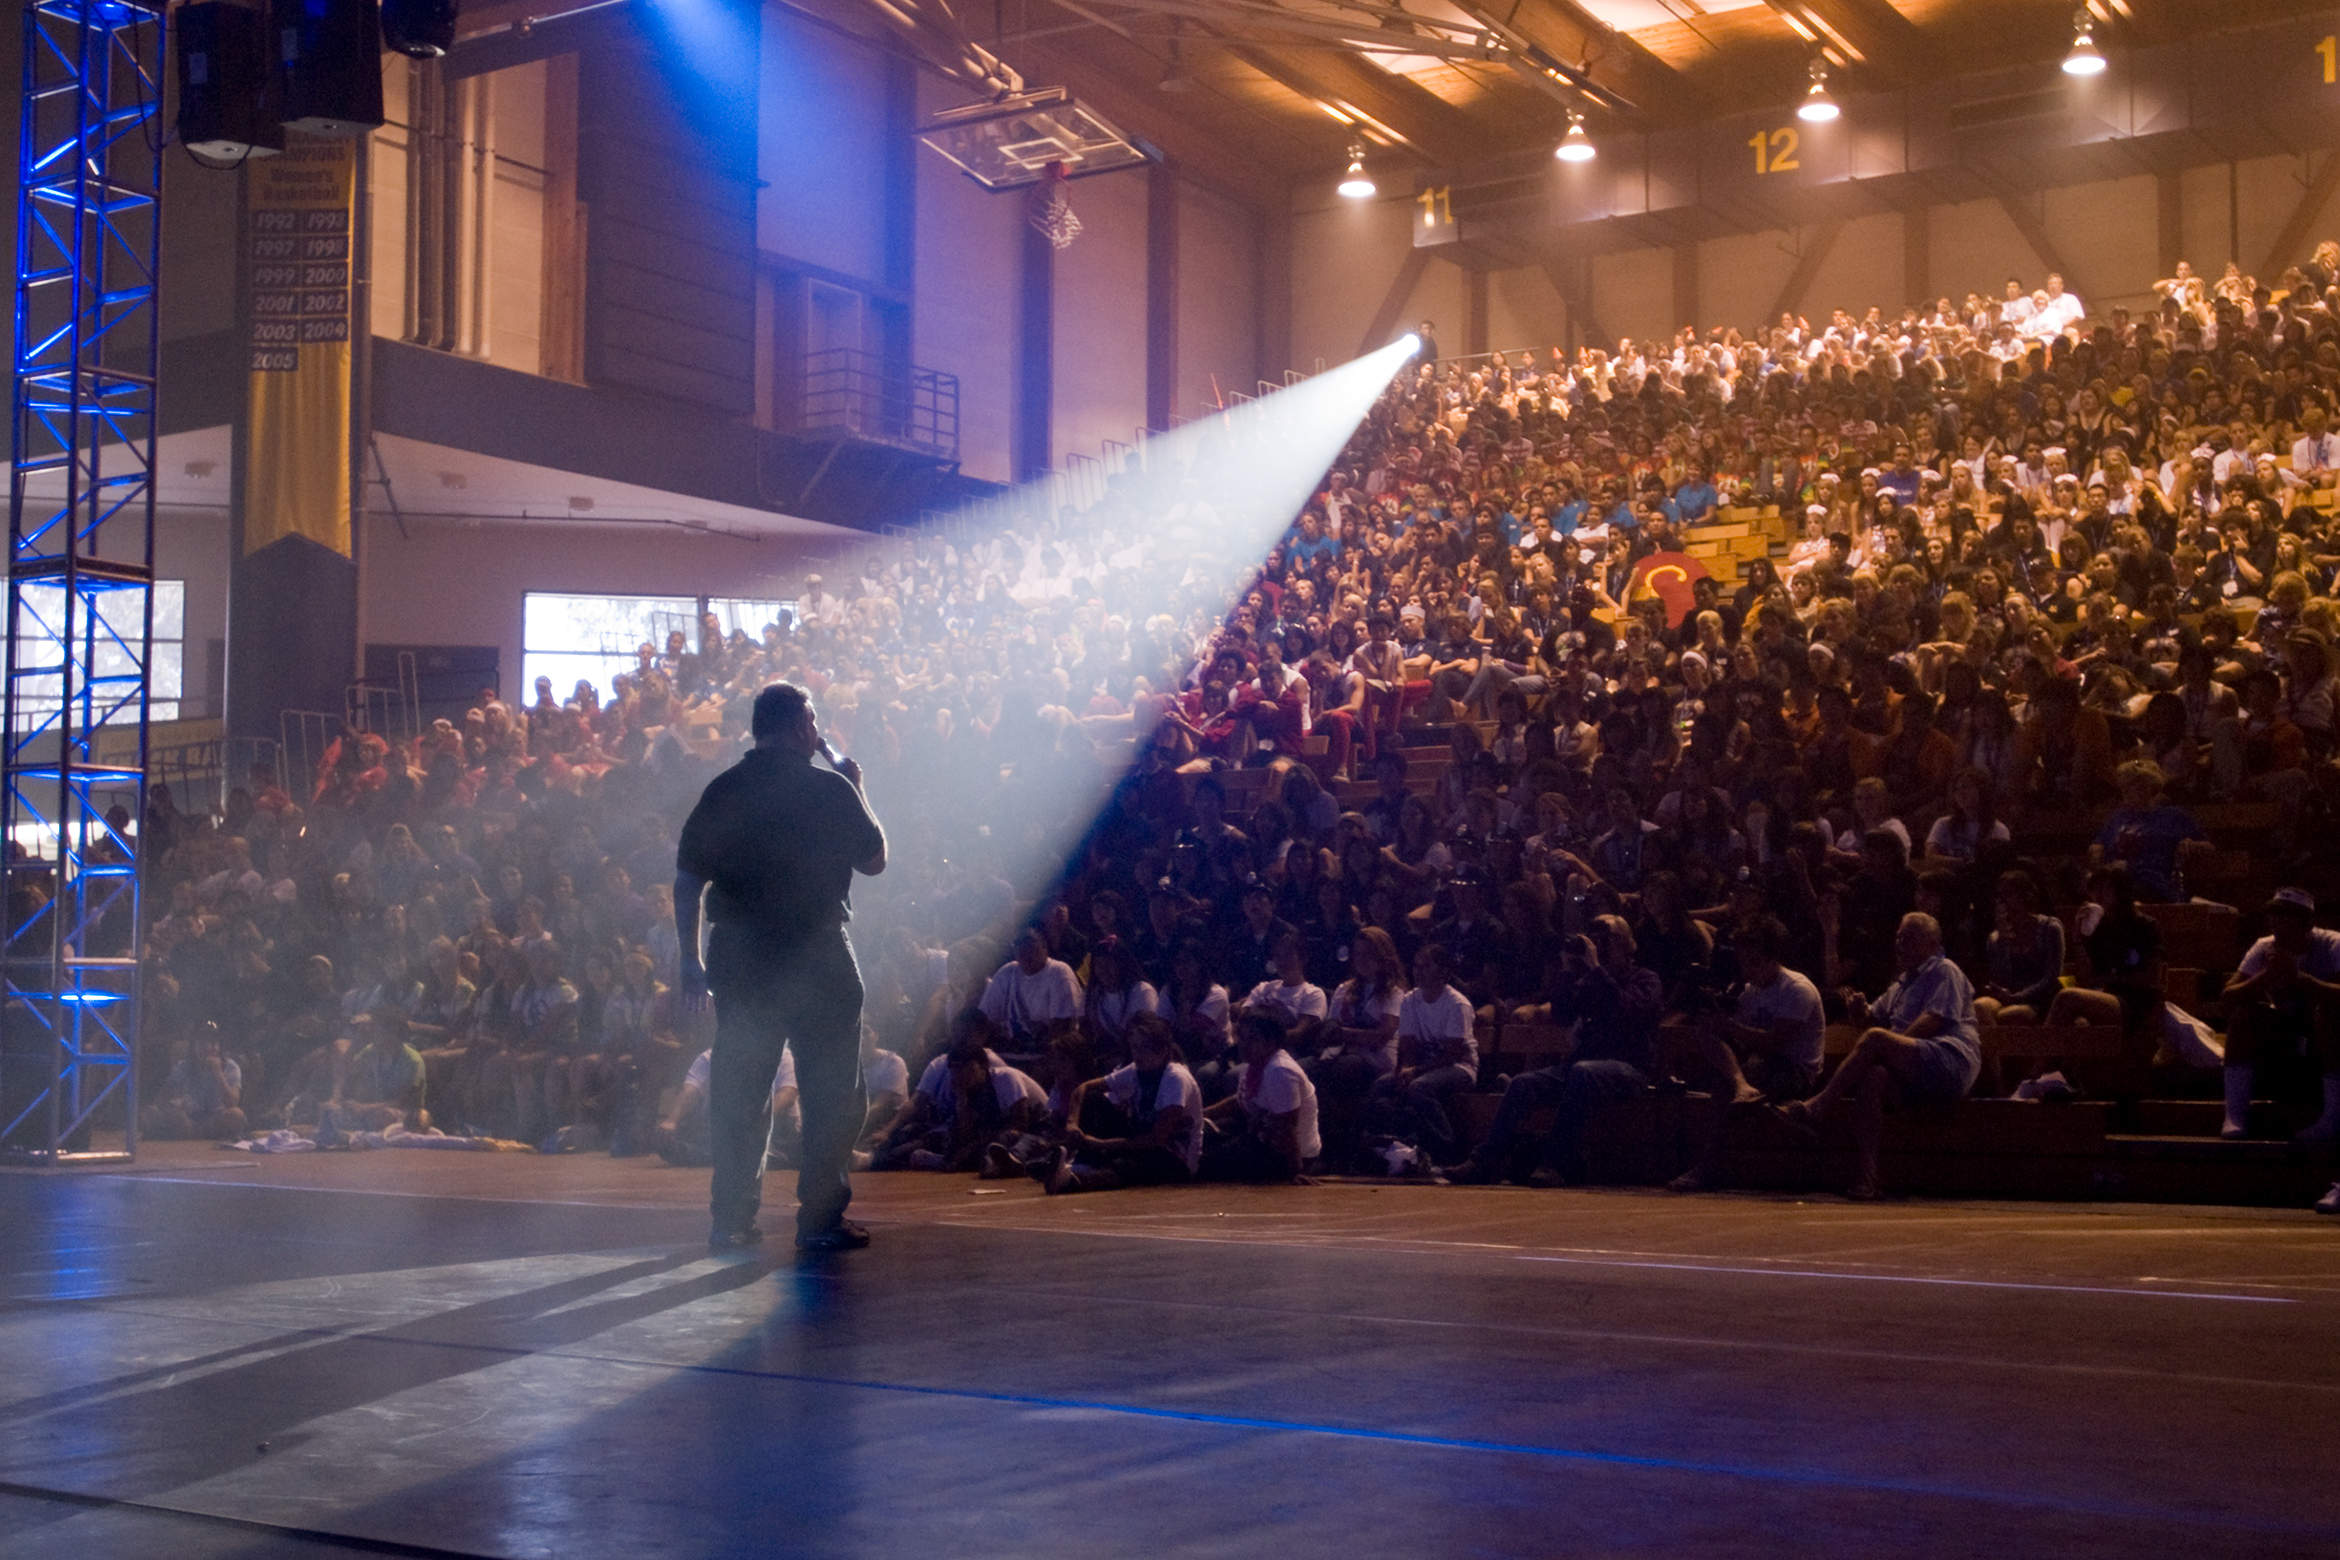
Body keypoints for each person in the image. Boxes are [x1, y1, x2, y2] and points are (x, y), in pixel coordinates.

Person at [675, 682, 887, 1254]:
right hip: (816, 951)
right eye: (813, 721)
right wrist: (858, 788)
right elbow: (875, 861)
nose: (818, 732)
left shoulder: (724, 790)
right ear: (800, 726)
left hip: (741, 955)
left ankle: (731, 1219)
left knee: (741, 1089)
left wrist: (689, 960)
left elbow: (688, 882)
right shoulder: (831, 788)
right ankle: (818, 1220)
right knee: (832, 1090)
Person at [1784, 912, 1979, 1199]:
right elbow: (1871, 1021)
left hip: (1950, 1059)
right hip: (1915, 1064)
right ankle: (1869, 1178)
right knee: (1873, 1080)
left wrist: (1887, 1044)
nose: (1900, 943)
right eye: (1899, 936)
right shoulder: (1902, 983)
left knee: (1877, 1041)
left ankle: (1819, 1106)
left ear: (1933, 944)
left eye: (1910, 937)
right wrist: (1859, 1011)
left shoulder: (1943, 970)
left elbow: (1931, 1022)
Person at [1666, 916, 1826, 1192]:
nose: (1747, 970)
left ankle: (1707, 1168)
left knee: (1724, 1083)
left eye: (1754, 962)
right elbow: (1736, 1033)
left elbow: (1775, 1044)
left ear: (1773, 957)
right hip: (1760, 1063)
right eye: (1744, 962)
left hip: (1795, 1070)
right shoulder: (1751, 991)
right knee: (1706, 1030)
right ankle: (1743, 1087)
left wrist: (1729, 1026)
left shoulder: (1797, 989)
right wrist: (1716, 1016)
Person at [2219, 888, 2340, 1143]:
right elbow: (2227, 999)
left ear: (2308, 922)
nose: (2277, 922)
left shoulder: (2333, 944)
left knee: (2327, 1012)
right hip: (2286, 1039)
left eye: (2286, 916)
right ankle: (2236, 1115)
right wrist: (2266, 977)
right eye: (2274, 914)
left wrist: (2299, 979)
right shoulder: (2264, 947)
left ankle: (2333, 1117)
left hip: (2327, 1039)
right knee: (2243, 1015)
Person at [1043, 1012, 1203, 1193]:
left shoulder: (1175, 1079)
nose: (1138, 1054)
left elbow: (1157, 1139)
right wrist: (1072, 1123)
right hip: (1142, 1143)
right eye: (1135, 1047)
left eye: (1146, 1048)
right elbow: (1084, 1088)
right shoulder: (1135, 1069)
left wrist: (1102, 1144)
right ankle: (1083, 1163)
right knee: (1093, 1099)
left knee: (1127, 1166)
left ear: (1163, 1050)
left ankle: (1074, 1180)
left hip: (1174, 1156)